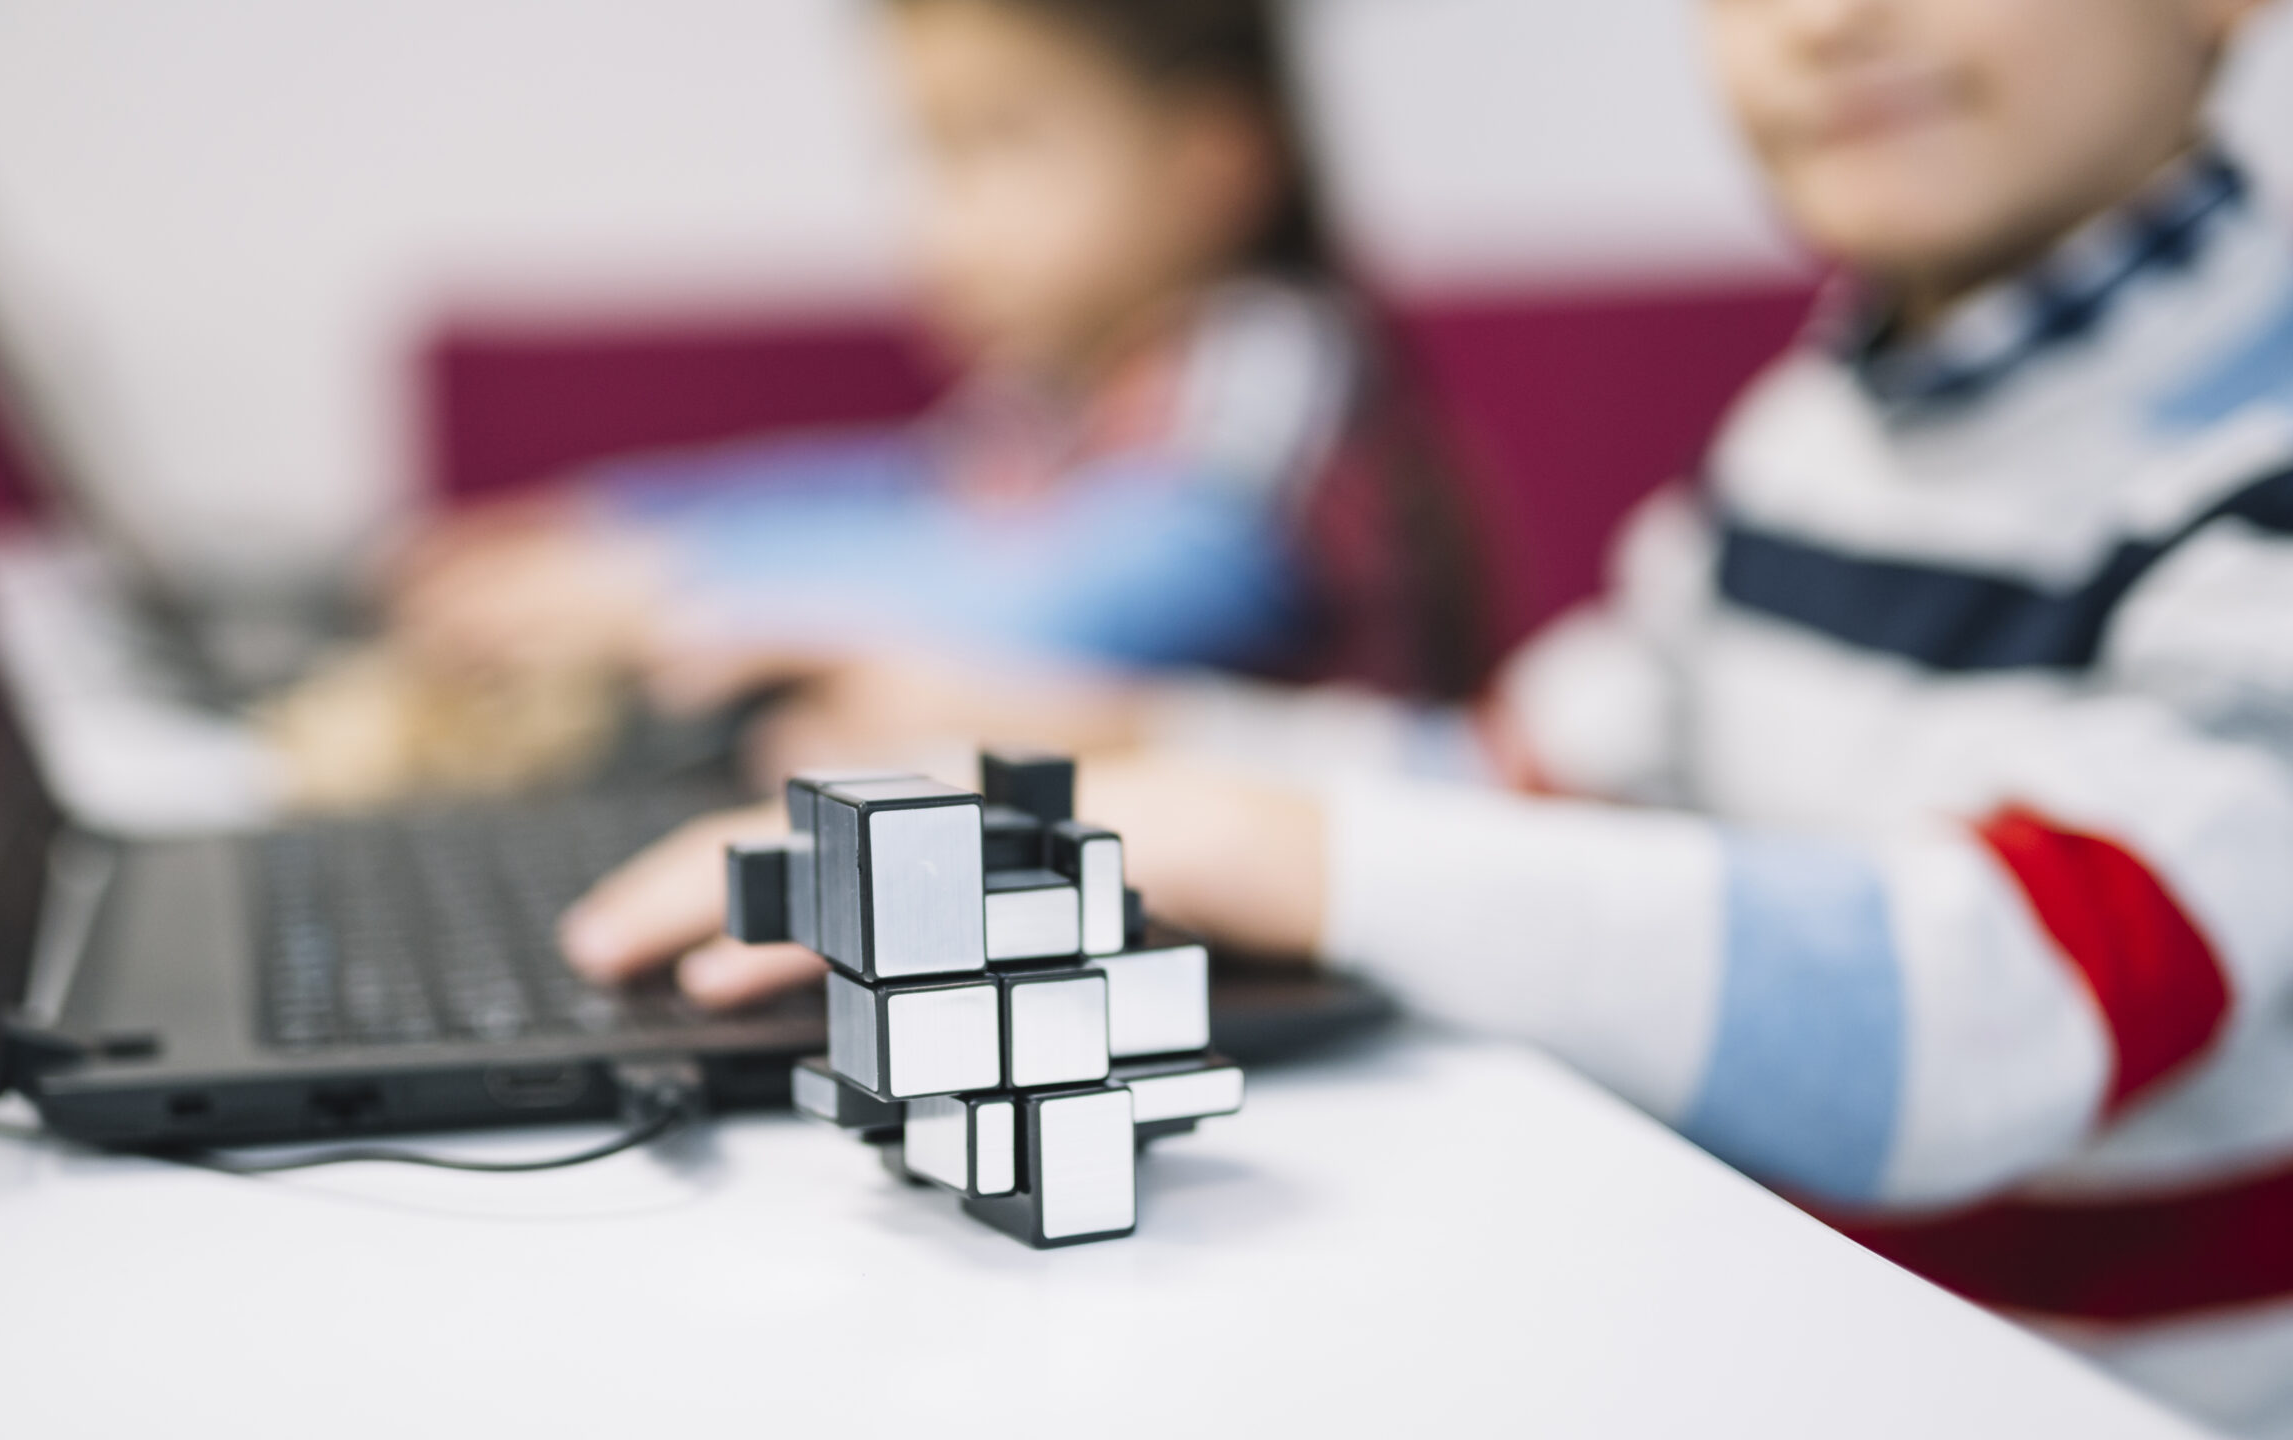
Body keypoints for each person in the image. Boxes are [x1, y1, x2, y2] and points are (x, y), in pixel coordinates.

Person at [568, 0, 2293, 1426]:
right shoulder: (1812, 432)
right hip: (1799, 1343)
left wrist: (1235, 834)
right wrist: (1074, 745)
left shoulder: (2258, 474)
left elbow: (1988, 1011)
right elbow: (1517, 774)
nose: (1827, 23)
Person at [275, 0, 1487, 810]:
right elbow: (892, 500)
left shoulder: (1265, 360)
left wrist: (662, 593)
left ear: (1212, 160)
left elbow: (1108, 586)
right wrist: (610, 527)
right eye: (922, 154)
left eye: (996, 144)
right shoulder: (1063, 389)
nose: (939, 224)